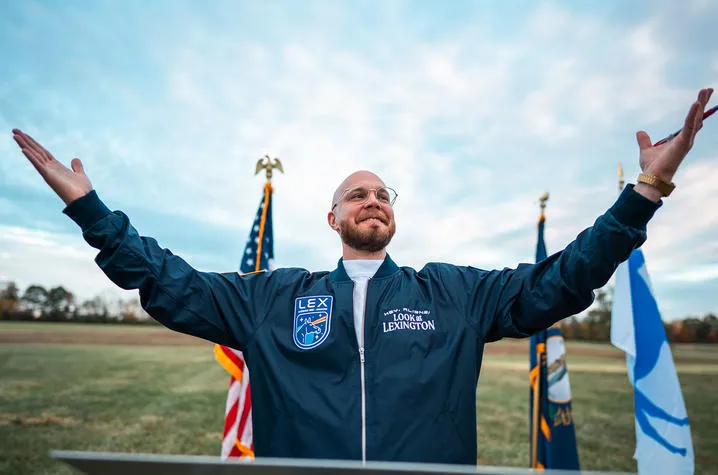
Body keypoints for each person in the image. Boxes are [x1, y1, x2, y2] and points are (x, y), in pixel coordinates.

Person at [11, 88, 713, 465]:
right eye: (356, 194)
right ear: (332, 217)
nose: (371, 201)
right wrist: (90, 209)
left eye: (382, 194)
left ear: (394, 216)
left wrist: (646, 190)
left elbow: (564, 278)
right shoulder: (274, 296)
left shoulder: (454, 292)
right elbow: (168, 280)